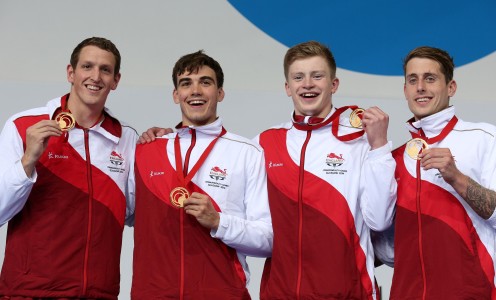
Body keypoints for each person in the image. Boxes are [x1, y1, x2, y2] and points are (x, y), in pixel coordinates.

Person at [0, 37, 137, 299]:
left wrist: (163, 144)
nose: (95, 77)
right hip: (30, 292)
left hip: (99, 292)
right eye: (87, 66)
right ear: (71, 73)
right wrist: (29, 160)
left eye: (105, 70)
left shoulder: (126, 138)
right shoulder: (23, 125)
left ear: (116, 80)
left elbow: (133, 213)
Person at [131, 50, 273, 299]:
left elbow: (267, 239)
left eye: (205, 82)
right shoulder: (147, 150)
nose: (195, 90)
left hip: (221, 293)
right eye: (186, 83)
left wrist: (219, 222)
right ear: (176, 95)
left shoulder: (247, 153)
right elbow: (124, 212)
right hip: (153, 294)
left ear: (220, 93)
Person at [376, 46, 496, 299]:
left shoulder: (484, 138)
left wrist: (457, 177)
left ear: (451, 87)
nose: (420, 87)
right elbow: (388, 251)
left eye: (430, 78)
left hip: (470, 293)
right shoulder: (394, 160)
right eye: (413, 80)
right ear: (405, 90)